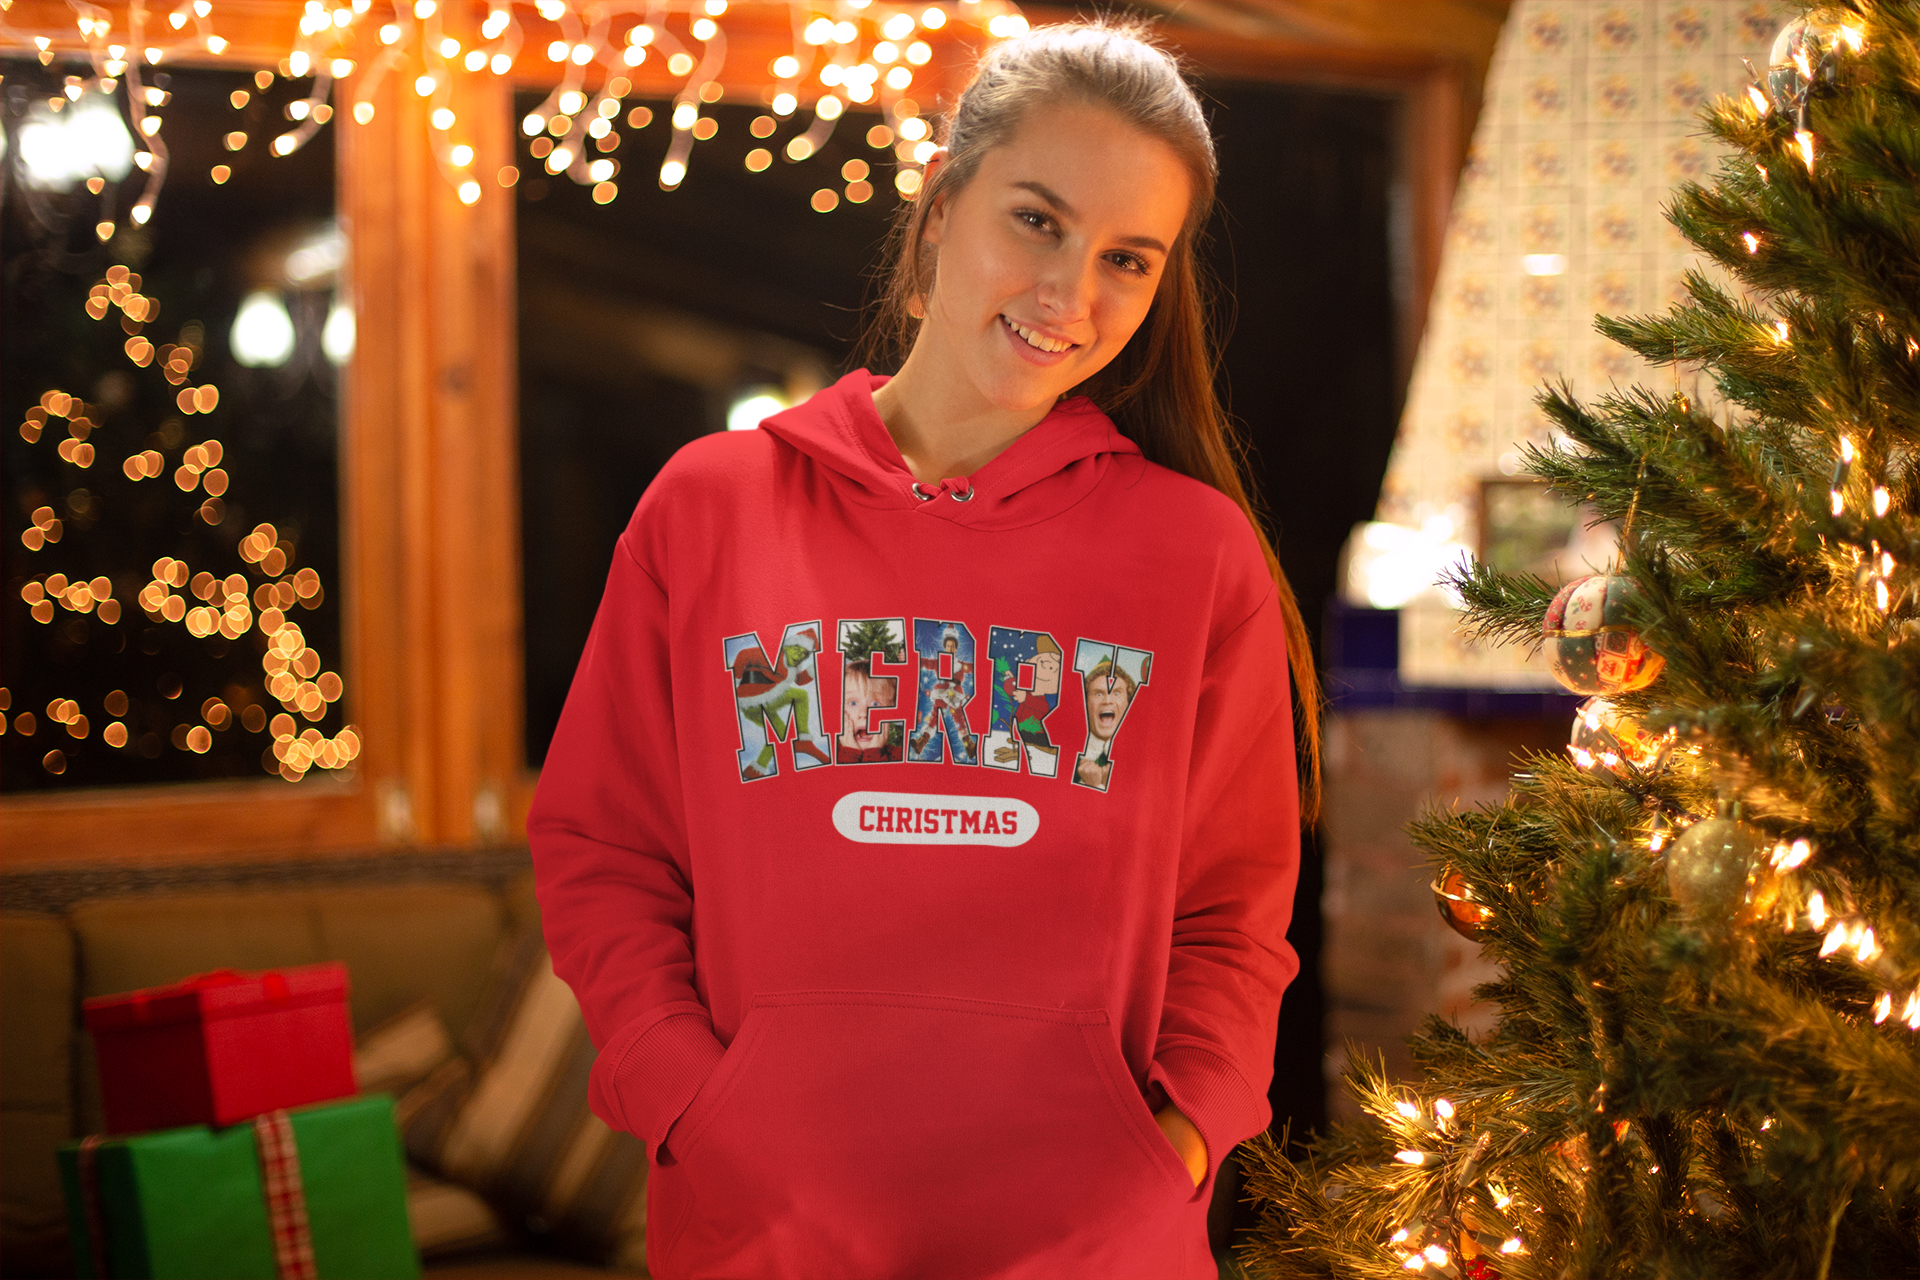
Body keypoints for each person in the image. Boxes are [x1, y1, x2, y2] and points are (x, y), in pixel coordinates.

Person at [528, 19, 1323, 1279]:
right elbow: (604, 850)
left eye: (1127, 258)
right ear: (943, 206)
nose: (1070, 294)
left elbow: (1233, 917)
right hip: (764, 1240)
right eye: (1037, 221)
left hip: (1094, 1248)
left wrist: (1173, 1140)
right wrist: (690, 1102)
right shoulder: (712, 507)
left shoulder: (1196, 554)